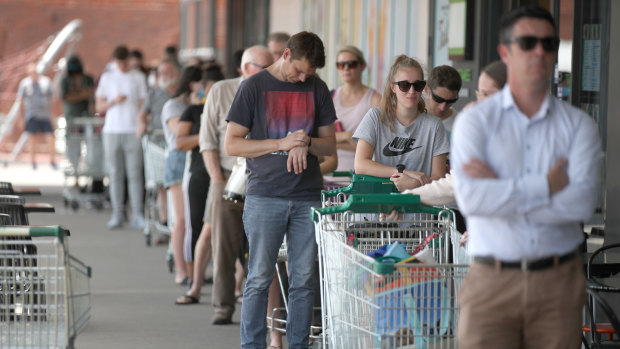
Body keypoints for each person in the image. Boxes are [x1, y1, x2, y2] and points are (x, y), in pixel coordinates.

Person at [451, 6, 602, 348]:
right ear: (505, 52)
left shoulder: (579, 127)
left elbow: (579, 206)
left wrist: (499, 188)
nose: (540, 51)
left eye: (549, 44)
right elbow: (471, 199)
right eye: (528, 42)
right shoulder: (476, 123)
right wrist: (545, 187)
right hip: (491, 280)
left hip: (558, 283)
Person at [225, 32, 337, 348]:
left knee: (303, 281)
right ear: (285, 55)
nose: (303, 78)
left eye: (309, 74)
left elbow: (330, 146)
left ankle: (298, 344)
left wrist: (305, 141)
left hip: (307, 197)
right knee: (258, 279)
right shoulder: (254, 86)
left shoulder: (318, 88)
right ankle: (253, 345)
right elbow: (232, 143)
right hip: (264, 196)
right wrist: (282, 143)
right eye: (299, 71)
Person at [183, 46, 273, 315]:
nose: (271, 73)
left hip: (264, 176)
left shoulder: (275, 91)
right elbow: (207, 140)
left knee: (261, 244)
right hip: (225, 174)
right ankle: (222, 306)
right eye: (264, 68)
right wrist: (217, 180)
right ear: (246, 69)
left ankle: (255, 303)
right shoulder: (221, 91)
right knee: (222, 245)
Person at [353, 55, 449, 192]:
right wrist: (404, 172)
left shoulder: (434, 125)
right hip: (377, 205)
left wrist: (416, 185)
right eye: (404, 85)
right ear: (393, 87)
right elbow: (360, 165)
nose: (412, 91)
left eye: (417, 85)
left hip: (418, 209)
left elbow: (439, 178)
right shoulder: (375, 117)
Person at [173, 64, 225, 305]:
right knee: (197, 225)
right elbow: (180, 142)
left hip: (227, 173)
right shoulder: (193, 111)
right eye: (209, 89)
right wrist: (205, 134)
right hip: (198, 172)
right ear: (204, 90)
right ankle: (195, 280)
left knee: (228, 229)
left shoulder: (231, 111)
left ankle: (235, 283)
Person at [95, 45, 147, 229]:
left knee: (134, 173)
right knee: (115, 173)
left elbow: (143, 104)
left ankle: (138, 213)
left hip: (132, 130)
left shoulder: (138, 77)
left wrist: (142, 123)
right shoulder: (107, 77)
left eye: (125, 62)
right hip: (112, 130)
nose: (123, 66)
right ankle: (118, 212)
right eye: (120, 62)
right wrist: (113, 101)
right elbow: (98, 106)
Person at [161, 65, 203, 286]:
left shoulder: (198, 104)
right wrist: (196, 108)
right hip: (178, 162)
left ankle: (194, 268)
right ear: (192, 83)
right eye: (201, 83)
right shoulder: (173, 105)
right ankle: (181, 270)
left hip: (196, 161)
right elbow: (180, 134)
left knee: (195, 220)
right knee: (182, 220)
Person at [331, 45, 381, 172]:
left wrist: (334, 141)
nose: (346, 69)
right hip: (329, 174)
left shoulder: (375, 99)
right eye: (341, 65)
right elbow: (318, 137)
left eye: (351, 64)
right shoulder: (330, 96)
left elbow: (377, 146)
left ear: (362, 66)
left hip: (360, 175)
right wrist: (347, 136)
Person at [18, 63, 57, 170]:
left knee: (50, 137)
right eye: (31, 72)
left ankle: (53, 161)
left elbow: (51, 100)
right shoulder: (25, 84)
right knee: (32, 139)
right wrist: (21, 118)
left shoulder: (46, 82)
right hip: (31, 115)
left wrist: (53, 115)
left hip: (45, 115)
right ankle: (33, 162)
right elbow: (21, 102)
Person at [137, 58, 180, 136]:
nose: (163, 75)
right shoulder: (153, 93)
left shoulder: (183, 93)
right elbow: (142, 113)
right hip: (157, 140)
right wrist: (142, 124)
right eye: (161, 72)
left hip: (177, 140)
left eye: (167, 72)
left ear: (177, 73)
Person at [424, 65, 462, 135]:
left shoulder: (460, 124)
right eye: (438, 99)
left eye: (450, 101)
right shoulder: (409, 116)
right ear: (427, 90)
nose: (443, 107)